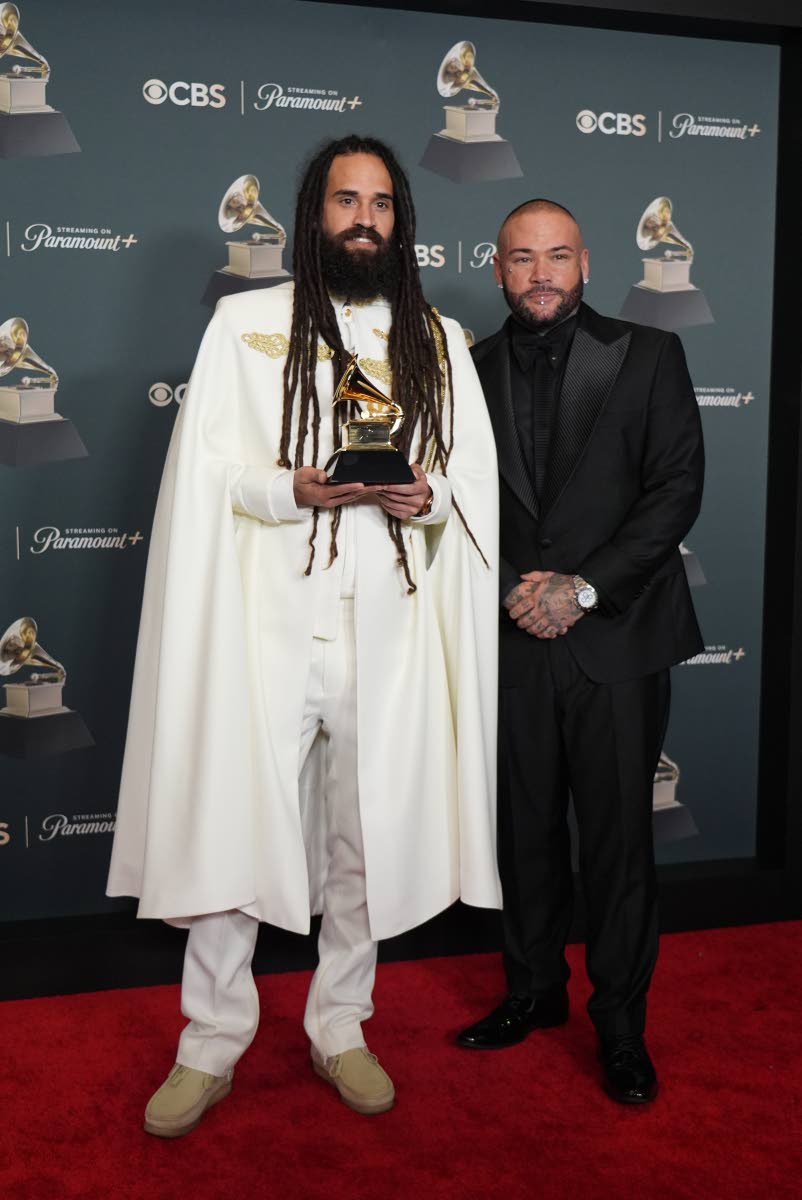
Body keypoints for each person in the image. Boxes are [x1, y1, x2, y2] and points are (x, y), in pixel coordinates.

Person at [107, 135, 500, 1136]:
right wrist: (289, 489)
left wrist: (422, 496)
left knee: (363, 833)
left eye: (380, 202)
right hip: (263, 626)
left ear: (401, 220)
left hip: (390, 632)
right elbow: (205, 476)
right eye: (344, 200)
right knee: (235, 822)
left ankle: (340, 1025)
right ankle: (209, 1042)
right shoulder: (244, 322)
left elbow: (468, 482)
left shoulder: (437, 339)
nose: (363, 218)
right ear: (312, 215)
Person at [457, 199, 704, 1105]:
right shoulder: (465, 369)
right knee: (523, 835)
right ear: (497, 268)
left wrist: (583, 588)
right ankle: (533, 992)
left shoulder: (649, 354)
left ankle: (622, 1029)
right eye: (522, 258)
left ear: (587, 263)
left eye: (557, 256)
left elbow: (675, 488)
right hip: (512, 636)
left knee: (617, 844)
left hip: (617, 638)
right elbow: (453, 502)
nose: (541, 274)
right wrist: (518, 592)